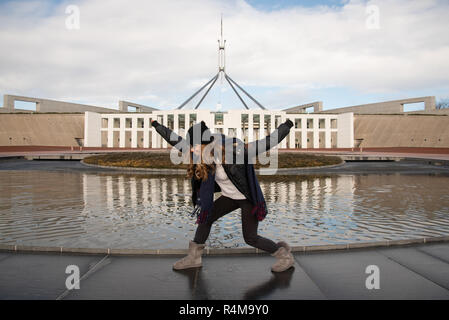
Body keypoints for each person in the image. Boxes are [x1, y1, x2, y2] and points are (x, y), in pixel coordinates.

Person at [151, 118, 295, 272]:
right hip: (229, 197)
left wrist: (286, 126)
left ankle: (284, 255)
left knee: (250, 238)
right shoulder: (202, 154)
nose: (191, 150)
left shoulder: (234, 151)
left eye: (194, 146)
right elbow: (175, 139)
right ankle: (194, 258)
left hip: (246, 197)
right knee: (206, 218)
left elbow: (266, 142)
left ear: (206, 144)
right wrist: (156, 125)